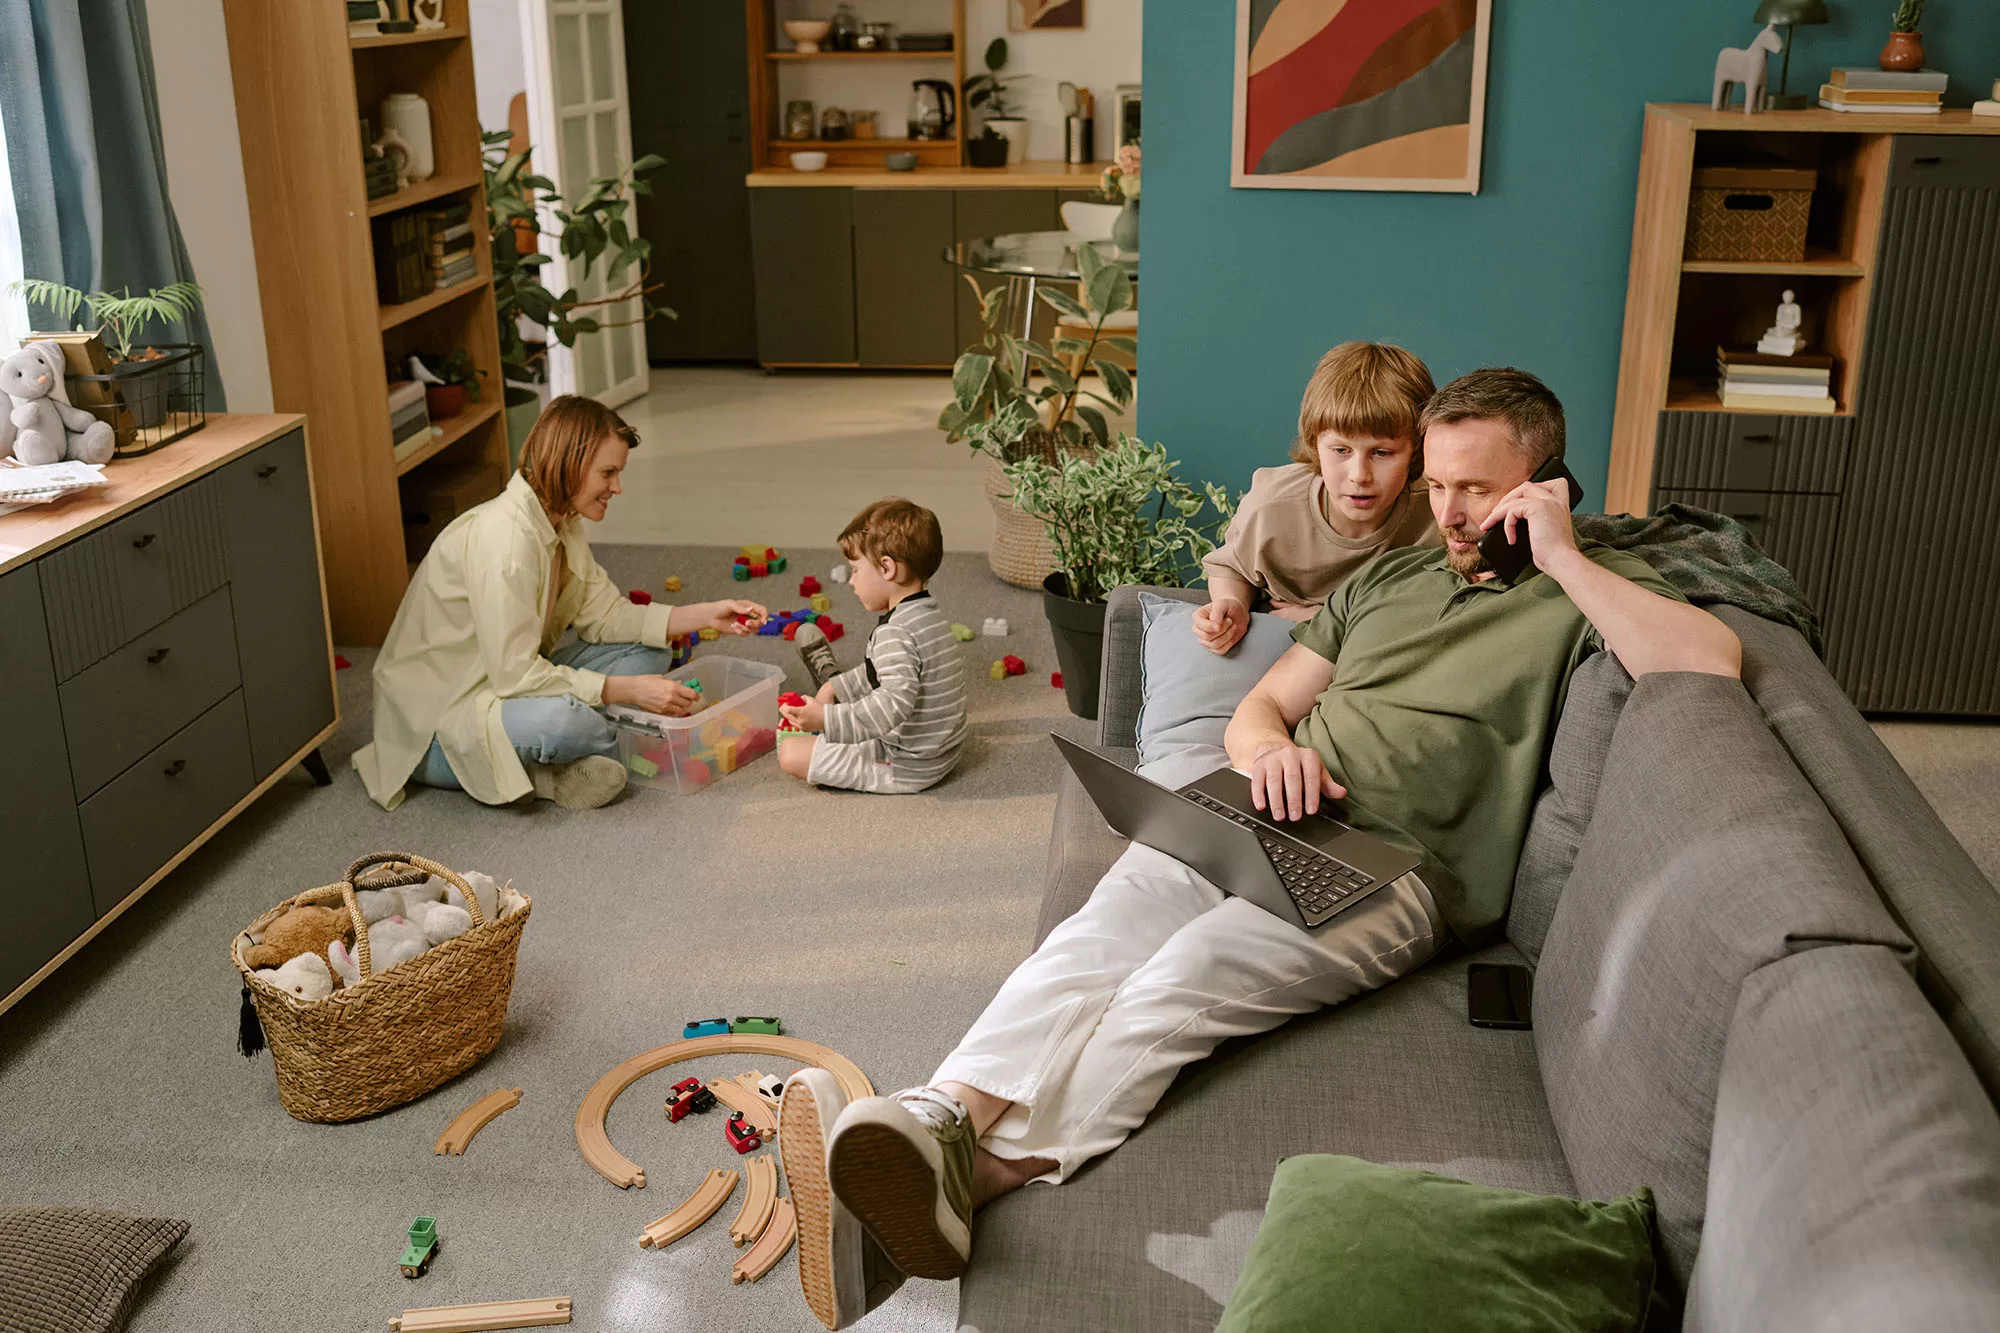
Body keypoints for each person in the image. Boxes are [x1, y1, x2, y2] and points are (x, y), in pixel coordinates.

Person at [777, 369, 1745, 1327]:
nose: (1448, 512)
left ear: (1541, 485)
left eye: (1477, 489)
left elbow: (1707, 658)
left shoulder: (1578, 601)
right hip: (1258, 810)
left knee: (1178, 981)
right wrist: (1270, 750)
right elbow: (1262, 703)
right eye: (1439, 484)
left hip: (1399, 871)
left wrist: (1564, 554)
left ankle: (978, 1177)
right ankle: (938, 1115)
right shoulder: (1391, 578)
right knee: (1096, 935)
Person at [353, 395, 766, 811]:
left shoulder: (560, 519)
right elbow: (514, 677)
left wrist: (707, 614)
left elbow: (606, 615)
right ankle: (551, 773)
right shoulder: (506, 544)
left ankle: (573, 752)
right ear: (569, 463)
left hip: (504, 684)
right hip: (440, 723)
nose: (617, 488)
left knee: (650, 653)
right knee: (566, 722)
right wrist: (627, 692)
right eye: (608, 473)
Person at [1192, 341, 1441, 655]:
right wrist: (1232, 605)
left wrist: (1321, 619)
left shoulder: (1439, 507)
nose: (1359, 475)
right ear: (1314, 443)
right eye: (1340, 451)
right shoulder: (1272, 505)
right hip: (1281, 649)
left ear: (1416, 449)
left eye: (1381, 453)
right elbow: (1231, 568)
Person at [778, 498, 966, 794]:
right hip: (943, 751)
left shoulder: (894, 633)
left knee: (790, 753)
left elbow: (893, 703)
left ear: (887, 568)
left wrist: (824, 720)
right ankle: (830, 683)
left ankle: (833, 708)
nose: (851, 581)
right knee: (842, 705)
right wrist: (837, 688)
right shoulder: (928, 614)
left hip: (906, 764)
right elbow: (883, 671)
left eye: (855, 570)